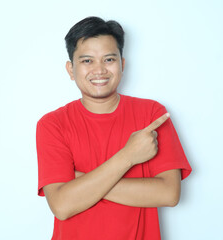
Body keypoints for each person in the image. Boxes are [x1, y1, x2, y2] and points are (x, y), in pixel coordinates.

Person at [36, 16, 192, 240]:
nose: (99, 70)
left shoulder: (152, 114)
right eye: (87, 61)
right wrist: (129, 156)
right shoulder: (52, 125)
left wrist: (82, 182)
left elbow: (169, 194)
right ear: (71, 69)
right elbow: (62, 205)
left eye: (109, 59)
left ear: (122, 64)